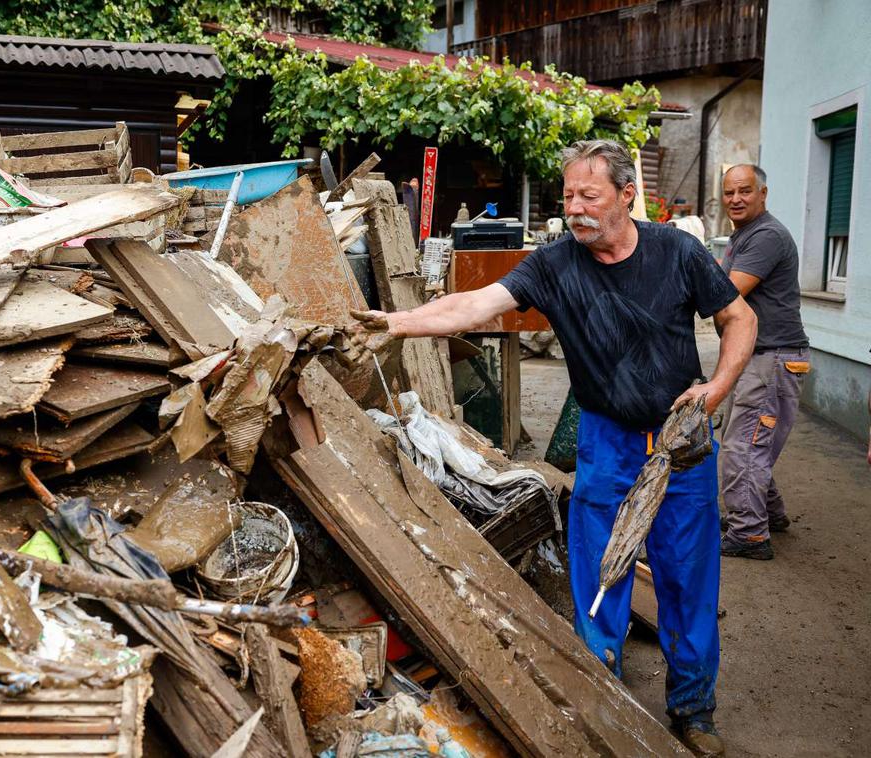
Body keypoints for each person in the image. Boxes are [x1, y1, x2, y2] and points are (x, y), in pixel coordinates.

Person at [346, 139, 757, 757]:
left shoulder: (678, 252)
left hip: (680, 444)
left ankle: (693, 709)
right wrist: (394, 322)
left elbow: (740, 319)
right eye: (568, 196)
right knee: (598, 578)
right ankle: (602, 702)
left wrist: (716, 388)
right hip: (606, 441)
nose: (575, 209)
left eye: (589, 196)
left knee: (686, 576)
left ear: (626, 196)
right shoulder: (556, 264)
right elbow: (473, 306)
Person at [716, 165, 810, 560]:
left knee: (743, 446)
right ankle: (766, 513)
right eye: (729, 192)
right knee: (753, 440)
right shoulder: (744, 236)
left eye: (745, 191)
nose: (736, 199)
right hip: (761, 356)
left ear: (763, 193)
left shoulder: (766, 236)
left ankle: (749, 534)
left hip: (772, 357)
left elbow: (724, 291)